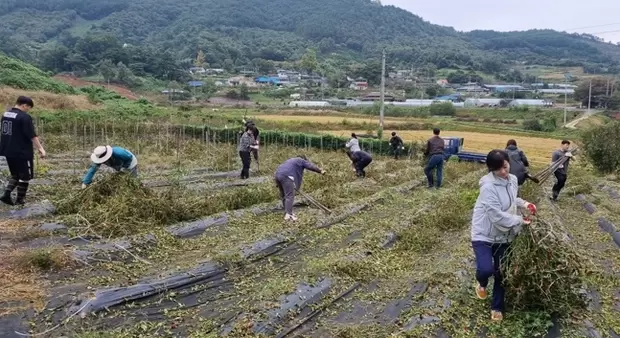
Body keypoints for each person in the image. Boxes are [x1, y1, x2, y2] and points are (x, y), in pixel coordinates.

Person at [471, 149, 536, 322]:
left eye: (505, 166)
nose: (504, 172)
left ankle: (497, 307)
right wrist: (520, 220)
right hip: (484, 233)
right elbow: (496, 216)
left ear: (508, 162)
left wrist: (526, 204)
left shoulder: (513, 180)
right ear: (491, 169)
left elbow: (512, 198)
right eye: (498, 169)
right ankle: (482, 282)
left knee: (502, 272)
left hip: (504, 235)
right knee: (485, 269)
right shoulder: (488, 187)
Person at [0, 96, 46, 205]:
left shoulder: (5, 114)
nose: (27, 110)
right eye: (28, 108)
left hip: (7, 150)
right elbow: (32, 136)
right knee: (25, 176)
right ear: (24, 105)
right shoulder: (24, 117)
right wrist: (41, 148)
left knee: (15, 174)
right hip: (22, 151)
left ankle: (6, 194)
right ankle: (20, 200)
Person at [274, 155, 326, 221]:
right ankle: (288, 215)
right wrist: (320, 171)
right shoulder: (301, 160)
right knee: (289, 196)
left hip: (277, 175)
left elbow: (282, 170)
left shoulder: (290, 161)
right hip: (287, 176)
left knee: (284, 195)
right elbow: (310, 166)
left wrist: (278, 182)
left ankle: (287, 212)